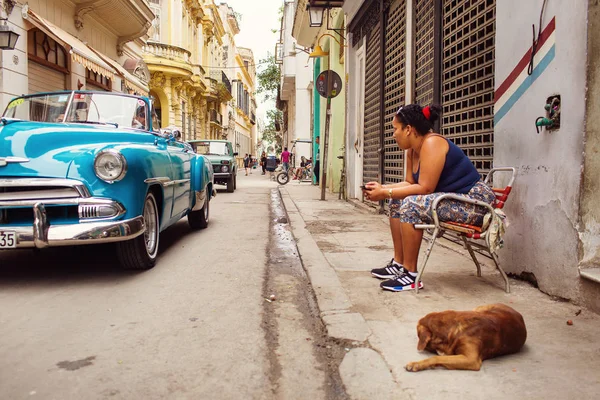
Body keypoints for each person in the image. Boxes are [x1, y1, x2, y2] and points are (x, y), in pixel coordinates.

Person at [363, 104, 495, 292]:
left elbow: (425, 188)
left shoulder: (432, 143)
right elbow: (409, 183)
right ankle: (399, 264)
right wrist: (383, 189)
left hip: (475, 205)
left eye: (395, 129)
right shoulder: (411, 150)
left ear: (408, 129)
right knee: (397, 200)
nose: (393, 134)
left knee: (410, 203)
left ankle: (410, 275)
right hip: (452, 200)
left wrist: (385, 192)